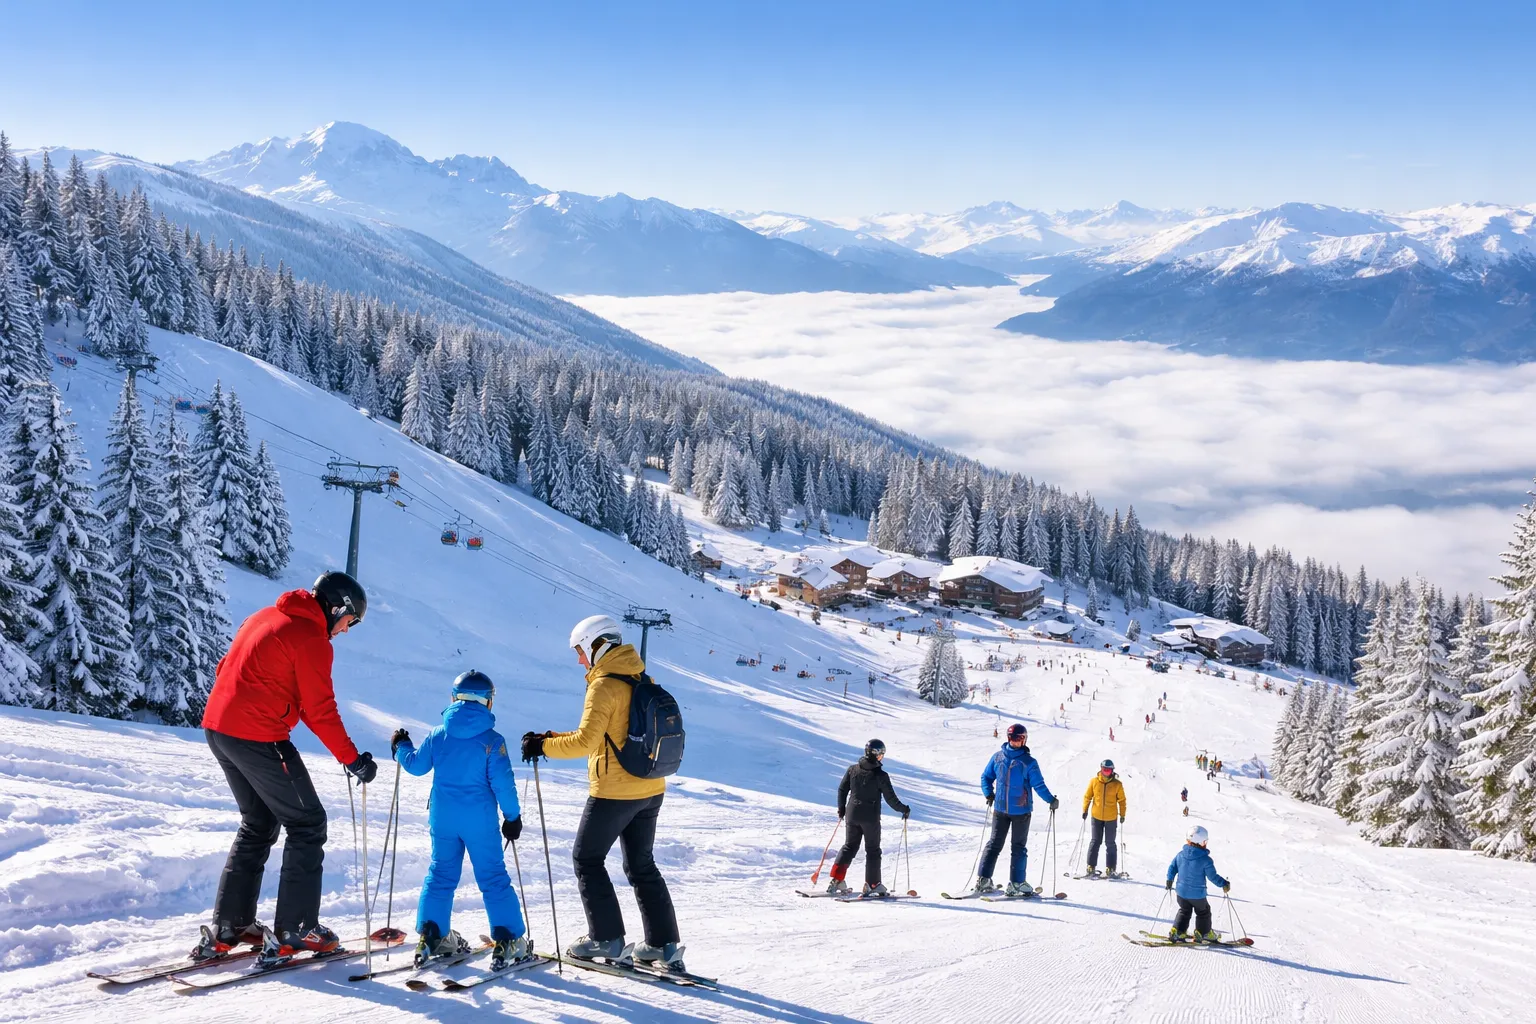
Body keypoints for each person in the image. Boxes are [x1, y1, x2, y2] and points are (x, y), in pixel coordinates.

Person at [196, 572, 376, 961]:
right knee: (308, 823)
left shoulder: (263, 616)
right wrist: (353, 759)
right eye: (350, 621)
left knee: (259, 823)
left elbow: (225, 666)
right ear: (337, 608)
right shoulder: (311, 639)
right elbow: (321, 710)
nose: (346, 630)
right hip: (257, 735)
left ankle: (233, 925)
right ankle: (297, 929)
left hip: (218, 729)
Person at [521, 615, 683, 970]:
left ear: (598, 645)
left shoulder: (604, 685)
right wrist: (549, 738)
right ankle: (663, 944)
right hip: (651, 788)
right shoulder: (640, 678)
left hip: (615, 791)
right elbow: (607, 733)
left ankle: (606, 939)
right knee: (641, 864)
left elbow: (585, 741)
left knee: (586, 859)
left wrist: (542, 747)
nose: (580, 660)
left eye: (581, 651)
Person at [393, 670, 531, 971]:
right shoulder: (493, 741)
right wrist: (513, 817)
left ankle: (433, 934)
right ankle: (509, 940)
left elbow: (416, 766)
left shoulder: (438, 734)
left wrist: (401, 747)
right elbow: (503, 784)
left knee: (440, 873)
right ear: (488, 701)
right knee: (493, 877)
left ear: (454, 698)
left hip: (443, 818)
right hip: (479, 821)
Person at [974, 724, 1058, 896]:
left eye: (1018, 738)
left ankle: (1012, 882)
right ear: (1008, 738)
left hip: (1018, 811)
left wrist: (1050, 799)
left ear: (1024, 739)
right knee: (1000, 845)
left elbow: (1038, 785)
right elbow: (986, 777)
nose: (1015, 742)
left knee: (1013, 847)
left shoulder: (1027, 762)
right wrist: (988, 793)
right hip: (1008, 810)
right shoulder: (1003, 758)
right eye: (1013, 738)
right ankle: (993, 881)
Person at [827, 739, 911, 896]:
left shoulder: (853, 769)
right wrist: (904, 809)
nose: (882, 757)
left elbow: (842, 789)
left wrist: (841, 809)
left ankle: (837, 880)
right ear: (877, 755)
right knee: (872, 850)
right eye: (882, 754)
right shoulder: (881, 775)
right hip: (870, 818)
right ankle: (873, 884)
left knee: (849, 846)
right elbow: (891, 799)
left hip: (852, 815)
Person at [1165, 824, 1230, 943]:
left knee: (1184, 910)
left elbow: (1172, 867)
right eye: (1205, 841)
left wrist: (1169, 880)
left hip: (1181, 893)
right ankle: (1203, 932)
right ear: (1202, 842)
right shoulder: (1206, 860)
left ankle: (1178, 931)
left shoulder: (1180, 855)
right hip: (1197, 895)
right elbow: (1213, 877)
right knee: (1203, 912)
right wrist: (1224, 883)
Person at [1081, 759, 1126, 877]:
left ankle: (1110, 868)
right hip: (1096, 817)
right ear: (1100, 769)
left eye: (1108, 770)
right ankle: (1090, 866)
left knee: (1110, 843)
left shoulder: (1117, 784)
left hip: (1111, 818)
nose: (1106, 772)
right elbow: (1087, 796)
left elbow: (1122, 801)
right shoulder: (1094, 782)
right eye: (1104, 770)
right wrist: (1085, 810)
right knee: (1095, 841)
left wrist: (1122, 814)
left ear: (1112, 771)